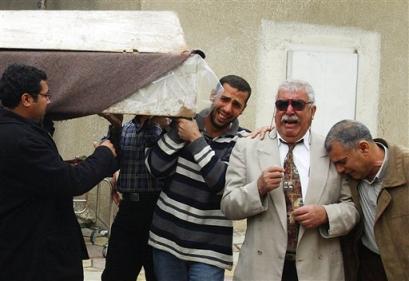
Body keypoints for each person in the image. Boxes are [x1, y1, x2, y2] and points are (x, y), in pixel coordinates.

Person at [221, 79, 359, 281]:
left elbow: (352, 208)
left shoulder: (331, 150)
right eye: (282, 104)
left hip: (318, 270)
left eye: (298, 104)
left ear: (312, 111)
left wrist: (326, 214)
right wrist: (257, 188)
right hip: (262, 269)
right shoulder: (247, 147)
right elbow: (228, 206)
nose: (289, 110)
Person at [0, 63, 118, 281]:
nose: (50, 101)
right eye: (46, 95)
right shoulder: (21, 140)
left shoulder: (15, 129)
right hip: (34, 257)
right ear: (26, 99)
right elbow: (72, 182)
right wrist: (103, 153)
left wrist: (116, 131)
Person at [145, 75, 252, 281]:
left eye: (236, 104)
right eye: (224, 99)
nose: (228, 108)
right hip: (166, 240)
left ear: (243, 109)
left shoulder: (244, 141)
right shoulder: (183, 125)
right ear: (213, 95)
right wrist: (179, 132)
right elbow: (154, 168)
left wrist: (195, 138)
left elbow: (221, 183)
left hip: (209, 249)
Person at [324, 119, 409, 281]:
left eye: (342, 161)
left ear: (363, 147)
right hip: (369, 268)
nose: (340, 170)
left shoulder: (405, 166)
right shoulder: (352, 178)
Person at [102, 115, 169, 281]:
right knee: (116, 273)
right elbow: (109, 157)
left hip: (158, 212)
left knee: (158, 274)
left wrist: (164, 125)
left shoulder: (167, 129)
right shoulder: (125, 129)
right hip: (128, 210)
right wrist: (115, 126)